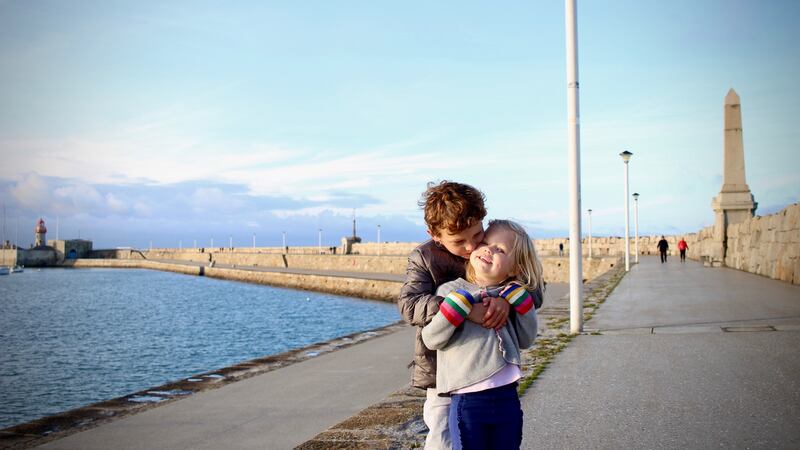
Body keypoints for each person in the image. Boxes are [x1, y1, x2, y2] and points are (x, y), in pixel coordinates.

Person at [398, 181, 542, 450]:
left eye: (477, 235)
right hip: (441, 369)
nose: (470, 247)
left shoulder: (489, 248)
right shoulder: (424, 257)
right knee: (442, 437)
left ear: (482, 221)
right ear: (435, 234)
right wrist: (463, 310)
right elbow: (410, 304)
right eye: (458, 241)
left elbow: (534, 288)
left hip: (492, 374)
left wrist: (506, 299)